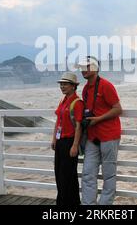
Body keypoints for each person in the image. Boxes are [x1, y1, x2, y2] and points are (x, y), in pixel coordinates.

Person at [77, 56, 123, 205]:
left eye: (87, 67)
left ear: (96, 68)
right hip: (92, 137)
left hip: (109, 135)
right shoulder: (85, 89)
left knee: (109, 175)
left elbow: (118, 109)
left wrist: (99, 119)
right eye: (82, 67)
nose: (84, 70)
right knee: (88, 173)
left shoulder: (106, 86)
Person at [51, 72, 84, 206]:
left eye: (65, 84)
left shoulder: (77, 103)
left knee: (68, 175)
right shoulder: (63, 101)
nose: (62, 87)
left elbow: (78, 126)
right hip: (60, 142)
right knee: (59, 173)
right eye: (61, 84)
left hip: (69, 142)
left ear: (73, 86)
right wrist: (54, 139)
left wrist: (75, 145)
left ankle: (71, 203)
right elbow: (58, 121)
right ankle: (62, 201)